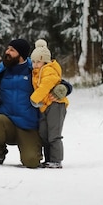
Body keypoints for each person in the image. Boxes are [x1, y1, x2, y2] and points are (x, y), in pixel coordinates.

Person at [0, 39, 42, 168]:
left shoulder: (35, 70)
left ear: (21, 55)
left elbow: (54, 79)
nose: (7, 52)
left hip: (28, 125)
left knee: (31, 162)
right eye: (8, 49)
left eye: (12, 50)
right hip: (6, 122)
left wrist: (64, 87)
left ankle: (34, 149)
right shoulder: (0, 71)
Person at [29, 39, 69, 169]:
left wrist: (34, 99)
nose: (35, 64)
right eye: (33, 61)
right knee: (44, 133)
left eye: (38, 61)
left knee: (54, 134)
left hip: (56, 105)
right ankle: (48, 159)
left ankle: (56, 160)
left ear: (45, 61)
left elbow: (45, 86)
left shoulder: (49, 71)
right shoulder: (35, 72)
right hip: (44, 106)